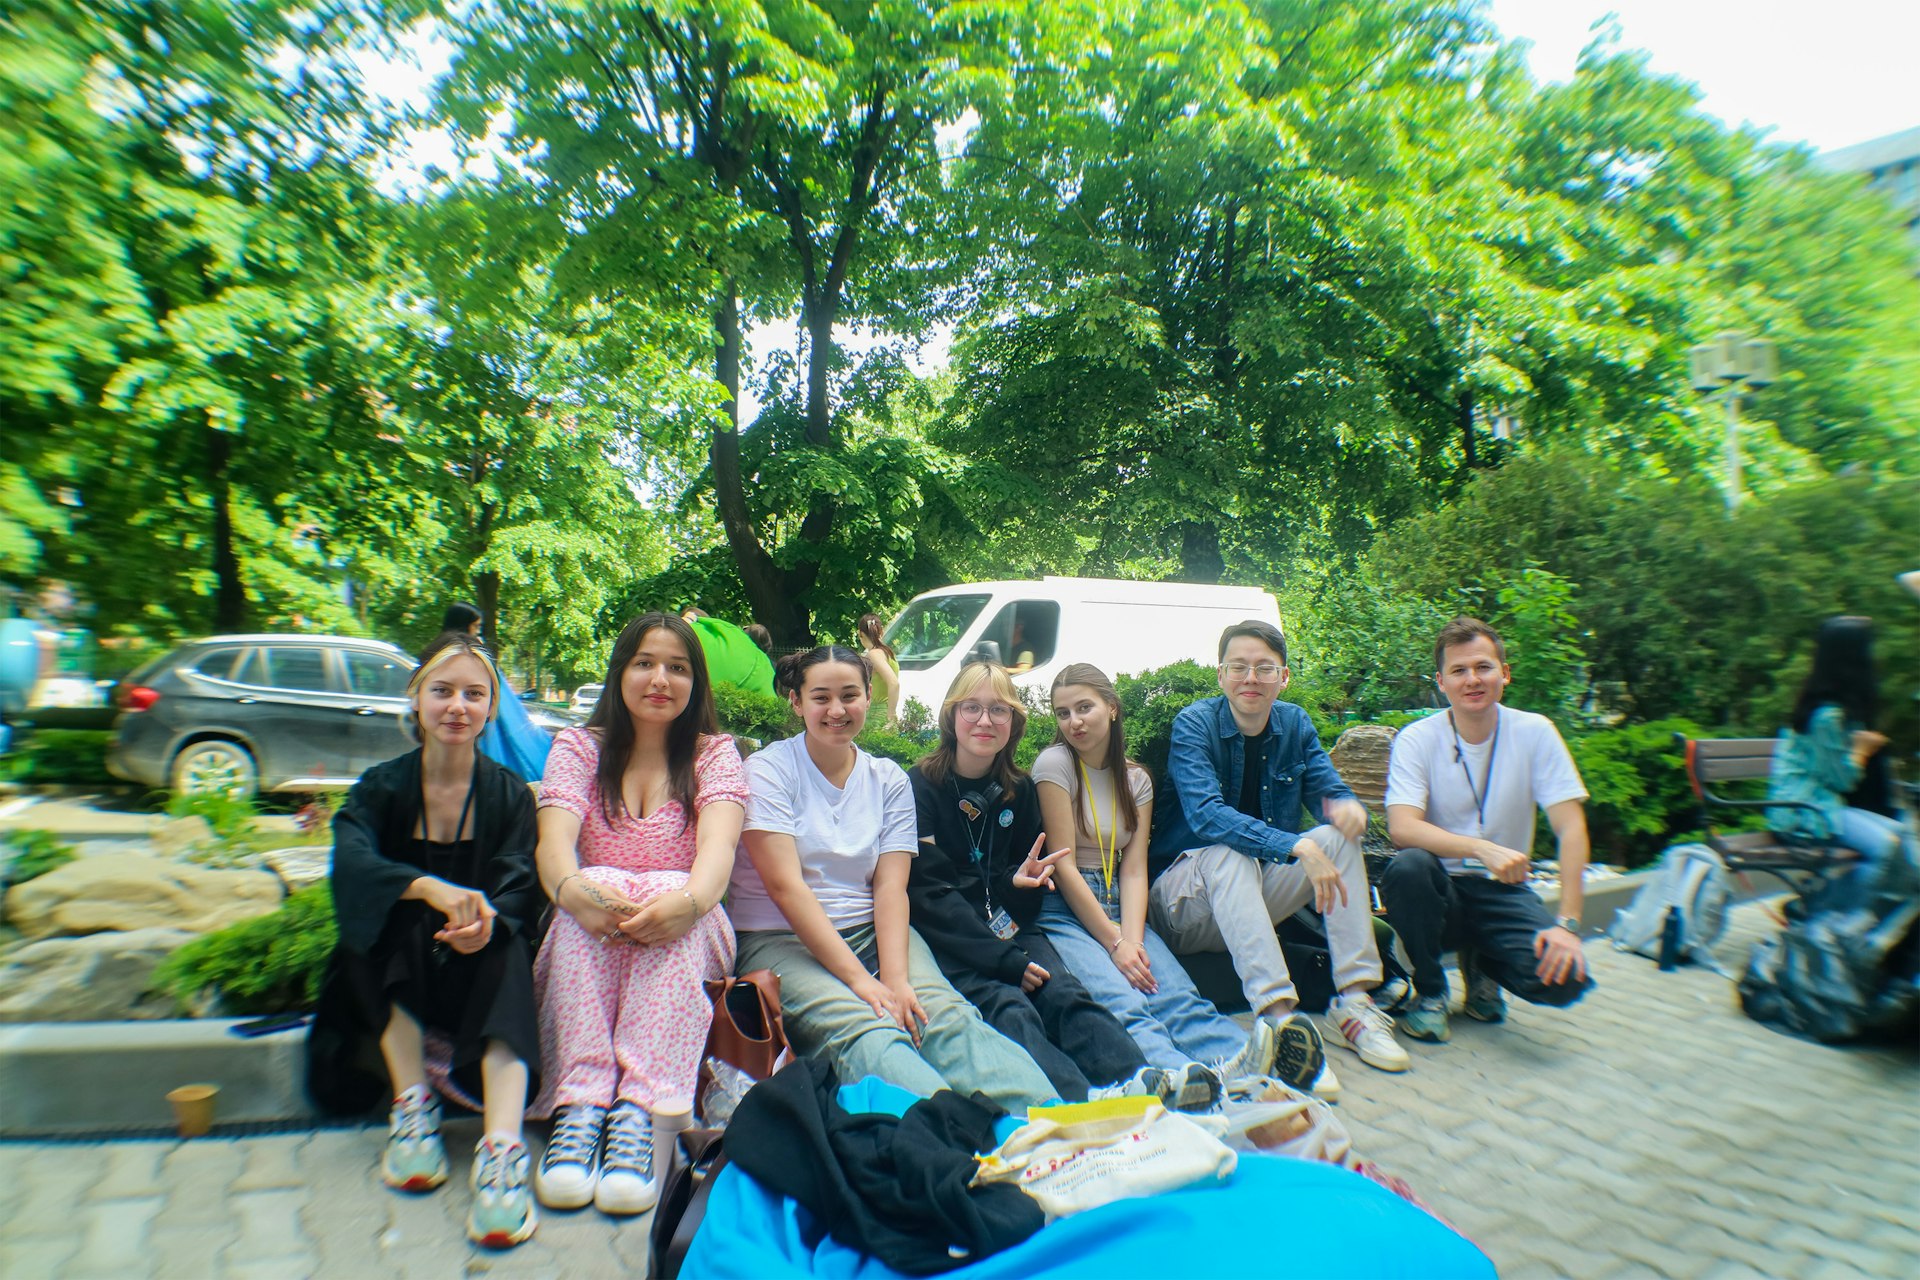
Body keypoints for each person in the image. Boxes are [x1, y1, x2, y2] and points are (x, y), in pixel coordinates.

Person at [732, 646, 1056, 1112]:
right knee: (869, 1030)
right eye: (821, 697)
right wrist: (866, 985)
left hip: (872, 929)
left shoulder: (887, 780)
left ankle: (1053, 1125)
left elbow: (889, 887)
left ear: (870, 697)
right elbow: (787, 889)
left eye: (850, 695)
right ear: (796, 702)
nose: (837, 710)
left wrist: (898, 980)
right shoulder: (769, 771)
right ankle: (957, 1137)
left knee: (941, 1016)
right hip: (781, 938)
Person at [307, 631, 542, 1248]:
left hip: (478, 967)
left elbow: (519, 884)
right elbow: (352, 865)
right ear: (416, 701)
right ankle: (413, 1112)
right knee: (387, 921)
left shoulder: (509, 793)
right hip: (400, 970)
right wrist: (428, 889)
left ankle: (502, 1151)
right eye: (442, 691)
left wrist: (484, 922)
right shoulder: (380, 787)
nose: (457, 707)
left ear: (492, 708)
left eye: (474, 693)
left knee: (510, 943)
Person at [906, 662, 1221, 1107]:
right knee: (1011, 1009)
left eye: (998, 710)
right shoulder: (919, 786)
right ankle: (1082, 1106)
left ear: (1013, 722)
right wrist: (1002, 959)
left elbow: (1027, 892)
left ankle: (1145, 1084)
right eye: (971, 708)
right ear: (951, 715)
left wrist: (1020, 888)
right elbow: (929, 894)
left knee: (1066, 995)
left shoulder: (1017, 789)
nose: (984, 720)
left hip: (1012, 930)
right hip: (953, 938)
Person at [530, 613, 747, 1216]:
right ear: (620, 671)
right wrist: (574, 891)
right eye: (645, 663)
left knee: (672, 897)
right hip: (590, 922)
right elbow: (554, 846)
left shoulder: (714, 754)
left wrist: (686, 903)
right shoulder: (579, 748)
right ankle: (581, 1103)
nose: (660, 679)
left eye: (678, 668)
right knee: (591, 885)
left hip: (690, 925)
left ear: (696, 683)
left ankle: (640, 1111)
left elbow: (718, 853)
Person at [1150, 620, 1409, 1084]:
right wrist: (1294, 845)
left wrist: (1347, 808)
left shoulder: (1295, 724)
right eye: (1239, 667)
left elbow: (1328, 791)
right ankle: (1281, 1021)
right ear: (1221, 674)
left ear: (1283, 677)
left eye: (1264, 668)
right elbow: (1207, 816)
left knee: (1337, 839)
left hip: (1251, 897)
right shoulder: (1194, 724)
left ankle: (1354, 1006)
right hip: (1183, 903)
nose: (1251, 678)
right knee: (1229, 852)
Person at [1033, 664, 1285, 1092]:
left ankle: (1253, 1070)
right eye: (1062, 713)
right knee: (1122, 1000)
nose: (1073, 721)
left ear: (1111, 708)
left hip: (1123, 901)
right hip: (1068, 908)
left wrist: (1131, 940)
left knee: (1175, 995)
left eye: (1083, 707)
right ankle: (1182, 1082)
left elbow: (1134, 869)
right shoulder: (1054, 765)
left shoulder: (1137, 779)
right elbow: (1063, 863)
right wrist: (1115, 945)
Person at [1380, 617, 1596, 1044]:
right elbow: (1402, 827)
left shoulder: (1536, 732)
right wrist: (1481, 848)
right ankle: (1432, 992)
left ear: (1505, 673)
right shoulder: (1417, 739)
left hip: (1504, 889)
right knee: (1408, 868)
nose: (1472, 680)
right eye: (1459, 671)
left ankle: (1483, 965)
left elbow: (1571, 828)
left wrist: (1567, 926)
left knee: (1565, 979)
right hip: (1439, 891)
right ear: (1441, 682)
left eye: (1483, 667)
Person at [1767, 616, 1917, 905]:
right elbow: (1841, 780)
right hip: (1804, 813)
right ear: (1853, 659)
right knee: (1895, 857)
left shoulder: (1840, 709)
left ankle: (1825, 904)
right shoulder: (1825, 716)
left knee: (1907, 850)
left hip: (1827, 806)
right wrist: (1862, 750)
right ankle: (1819, 903)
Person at [440, 601, 551, 783]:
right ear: (464, 625)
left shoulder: (440, 654)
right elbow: (505, 705)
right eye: (475, 627)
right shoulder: (472, 654)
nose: (478, 633)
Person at [856, 612, 901, 729]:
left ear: (860, 633)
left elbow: (894, 683)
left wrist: (891, 716)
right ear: (881, 631)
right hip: (883, 711)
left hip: (876, 714)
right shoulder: (889, 653)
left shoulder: (874, 654)